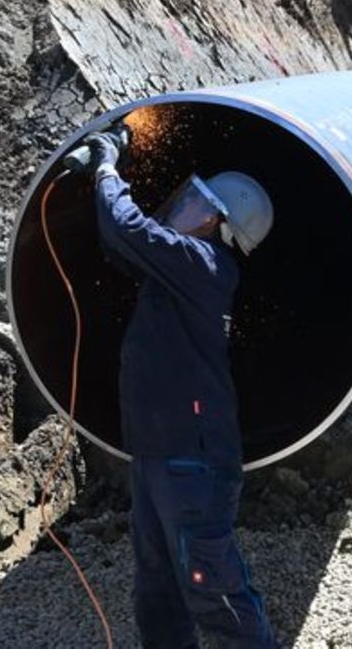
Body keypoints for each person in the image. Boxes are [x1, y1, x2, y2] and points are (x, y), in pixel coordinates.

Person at [83, 130, 280, 649]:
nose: (184, 206)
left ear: (218, 222)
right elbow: (119, 243)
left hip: (190, 460)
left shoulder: (203, 265)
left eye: (197, 203)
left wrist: (107, 167)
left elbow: (124, 226)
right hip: (159, 454)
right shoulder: (182, 269)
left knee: (211, 590)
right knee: (160, 591)